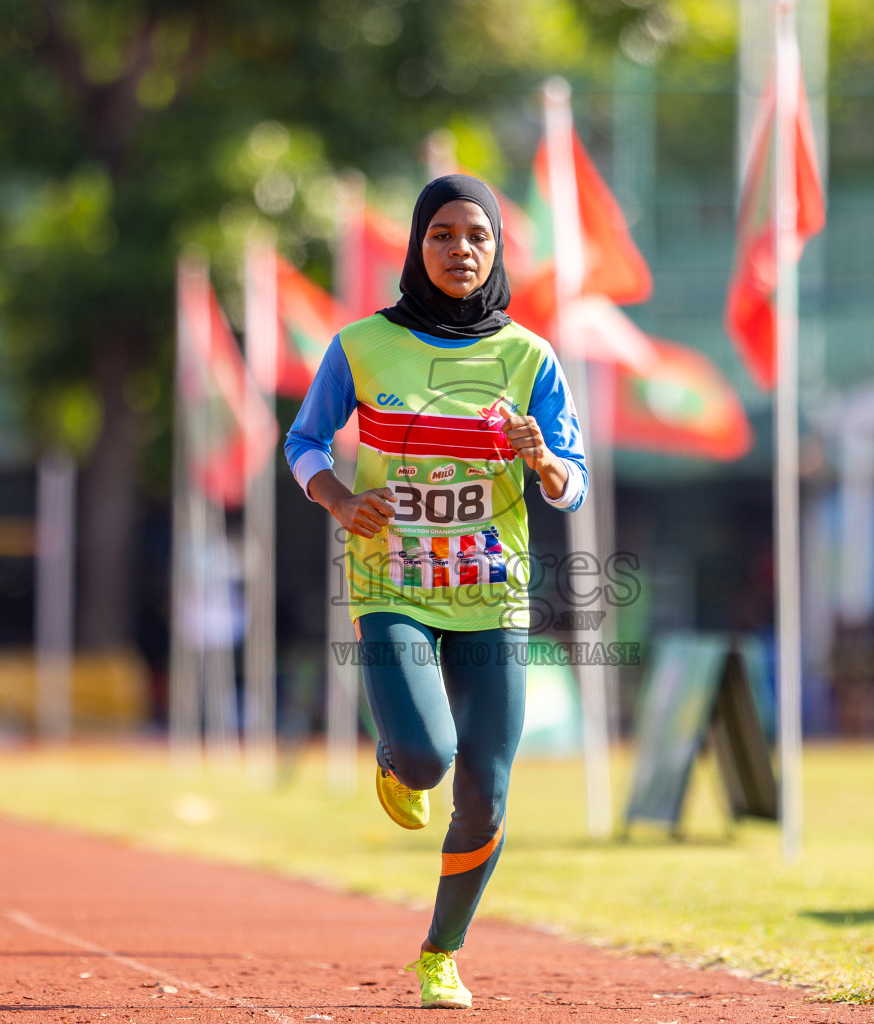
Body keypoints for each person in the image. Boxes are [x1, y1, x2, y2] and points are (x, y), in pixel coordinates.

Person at [284, 175, 587, 1009]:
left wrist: (543, 461)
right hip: (394, 584)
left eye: (477, 236)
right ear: (417, 246)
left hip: (493, 596)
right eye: (442, 234)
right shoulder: (360, 347)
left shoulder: (530, 357)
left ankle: (440, 953)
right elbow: (305, 439)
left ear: (497, 250)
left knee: (485, 792)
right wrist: (339, 500)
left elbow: (573, 485)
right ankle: (397, 761)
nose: (461, 250)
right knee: (426, 758)